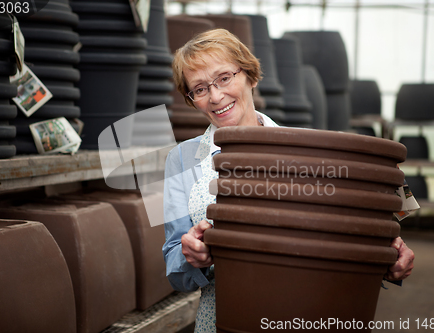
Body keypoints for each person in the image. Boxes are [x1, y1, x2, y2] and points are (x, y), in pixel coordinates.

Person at [162, 28, 414, 333]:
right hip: (224, 319)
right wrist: (191, 257)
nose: (215, 96)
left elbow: (344, 239)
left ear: (251, 76)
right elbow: (172, 262)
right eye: (199, 89)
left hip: (307, 312)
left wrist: (390, 259)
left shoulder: (306, 150)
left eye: (224, 78)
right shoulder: (178, 160)